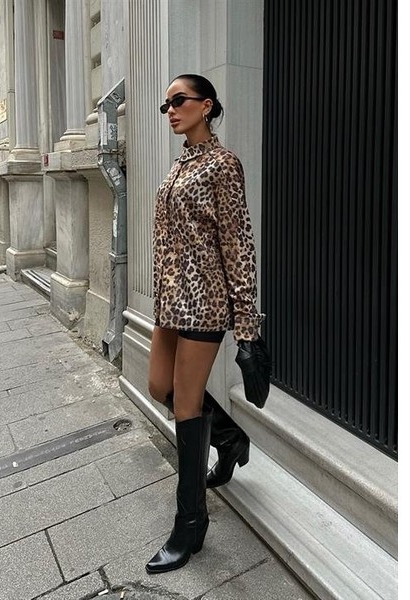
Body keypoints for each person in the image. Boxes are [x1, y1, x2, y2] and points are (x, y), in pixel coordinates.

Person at [146, 74, 264, 574]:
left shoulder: (224, 164)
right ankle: (230, 438)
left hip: (204, 302)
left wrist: (248, 328)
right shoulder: (179, 165)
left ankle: (190, 524)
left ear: (207, 106)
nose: (171, 110)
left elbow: (238, 245)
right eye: (166, 105)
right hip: (171, 302)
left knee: (186, 406)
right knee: (159, 386)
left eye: (179, 101)